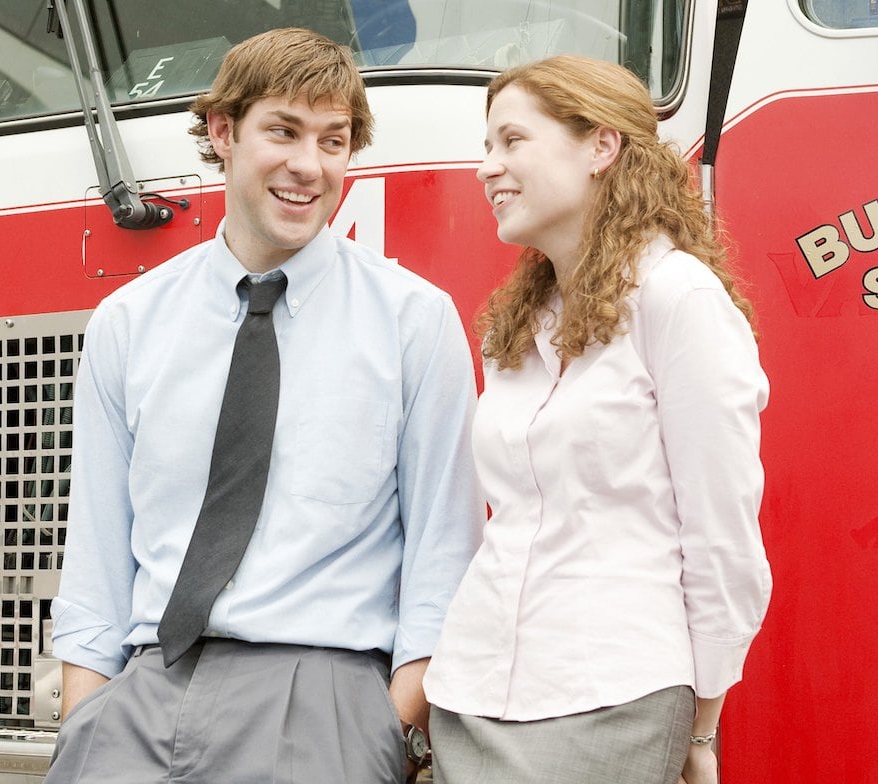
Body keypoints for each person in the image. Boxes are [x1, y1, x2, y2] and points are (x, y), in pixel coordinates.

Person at [44, 27, 484, 784]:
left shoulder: (413, 320)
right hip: (138, 701)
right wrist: (87, 716)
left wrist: (389, 724)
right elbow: (96, 549)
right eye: (283, 131)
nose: (308, 166)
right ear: (222, 132)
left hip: (323, 700)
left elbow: (445, 551)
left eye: (333, 140)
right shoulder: (127, 321)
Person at [422, 55, 772, 784]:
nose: (487, 168)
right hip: (470, 694)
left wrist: (698, 723)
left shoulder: (678, 298)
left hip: (611, 695)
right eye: (487, 147)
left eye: (511, 141)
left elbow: (721, 532)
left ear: (600, 147)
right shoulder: (512, 325)